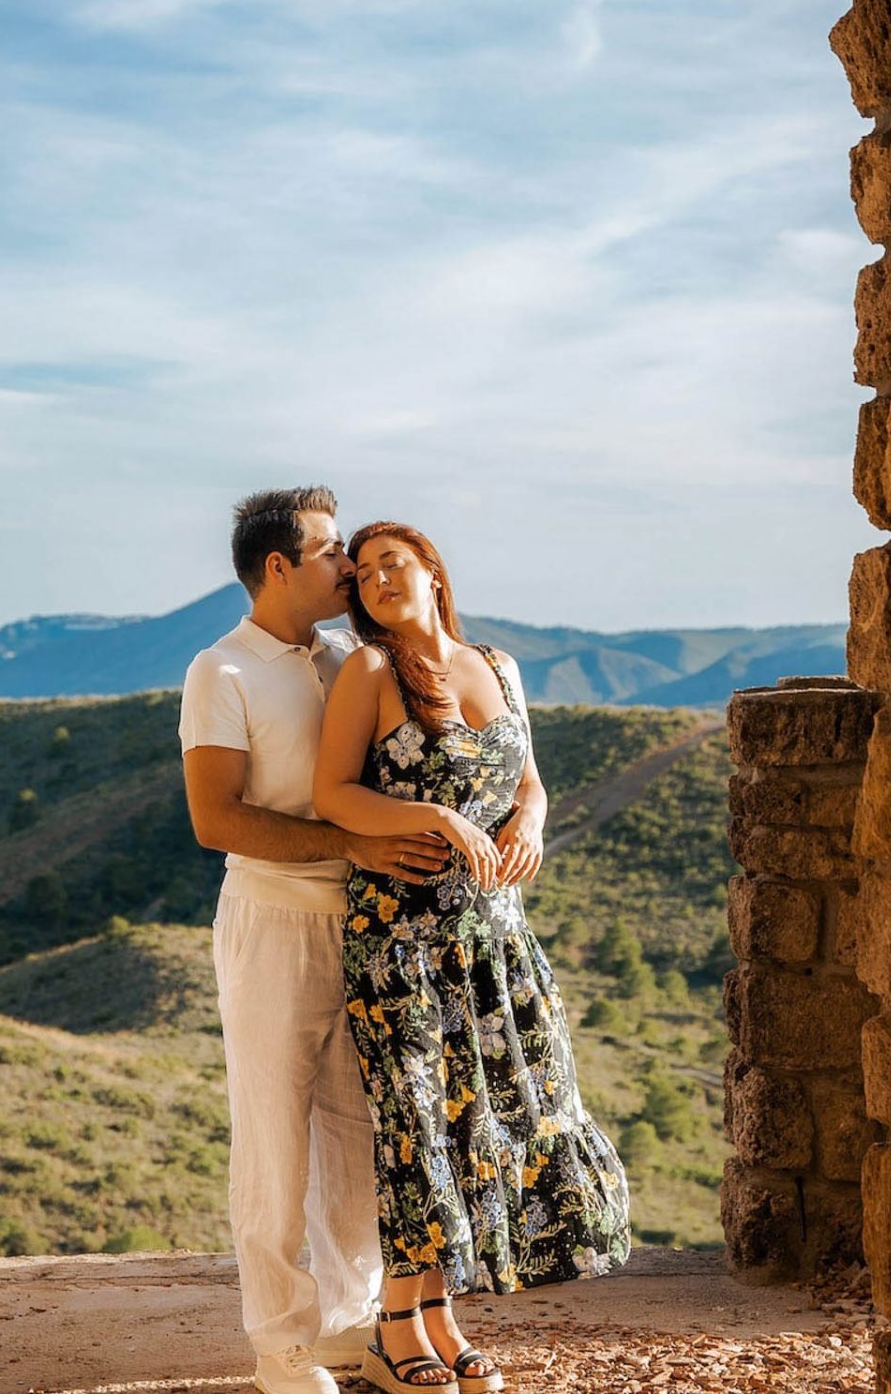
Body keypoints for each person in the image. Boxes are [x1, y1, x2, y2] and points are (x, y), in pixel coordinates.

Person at [313, 520, 632, 1394]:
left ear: (432, 574)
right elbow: (331, 794)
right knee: (417, 1125)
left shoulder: (496, 666)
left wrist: (529, 821)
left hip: (494, 938)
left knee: (477, 1125)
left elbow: (528, 777)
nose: (378, 580)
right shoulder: (369, 674)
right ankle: (392, 1329)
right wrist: (443, 820)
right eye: (364, 573)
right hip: (402, 941)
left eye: (394, 565)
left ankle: (441, 1317)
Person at [179, 488, 452, 1394]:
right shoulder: (219, 672)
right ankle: (280, 1345)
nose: (349, 568)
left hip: (372, 926)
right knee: (273, 1139)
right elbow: (216, 821)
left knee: (362, 1134)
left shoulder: (352, 660)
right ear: (279, 568)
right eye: (333, 552)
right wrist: (351, 842)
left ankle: (351, 1323)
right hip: (273, 922)